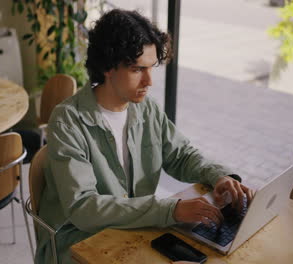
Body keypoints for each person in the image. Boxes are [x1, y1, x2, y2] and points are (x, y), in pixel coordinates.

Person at [36, 9, 254, 264]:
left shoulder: (146, 109)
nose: (149, 81)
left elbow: (181, 156)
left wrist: (218, 176)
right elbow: (84, 208)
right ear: (108, 66)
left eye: (151, 68)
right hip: (78, 243)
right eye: (137, 69)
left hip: (132, 230)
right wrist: (170, 210)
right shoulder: (67, 120)